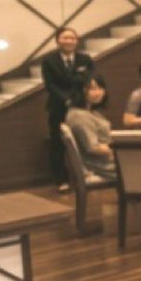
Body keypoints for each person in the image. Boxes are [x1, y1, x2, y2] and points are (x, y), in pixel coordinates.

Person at [42, 27, 95, 192]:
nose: (69, 41)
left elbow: (88, 80)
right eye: (65, 38)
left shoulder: (85, 59)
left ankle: (87, 176)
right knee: (58, 143)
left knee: (84, 140)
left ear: (77, 41)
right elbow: (50, 85)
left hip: (81, 107)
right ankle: (61, 180)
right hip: (58, 106)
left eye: (72, 38)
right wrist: (67, 99)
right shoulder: (49, 60)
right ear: (58, 40)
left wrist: (76, 99)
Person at [64, 73, 116, 182]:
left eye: (101, 88)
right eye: (93, 89)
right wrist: (120, 150)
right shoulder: (79, 116)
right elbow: (93, 148)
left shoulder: (90, 112)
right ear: (81, 91)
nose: (99, 92)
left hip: (106, 161)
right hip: (101, 166)